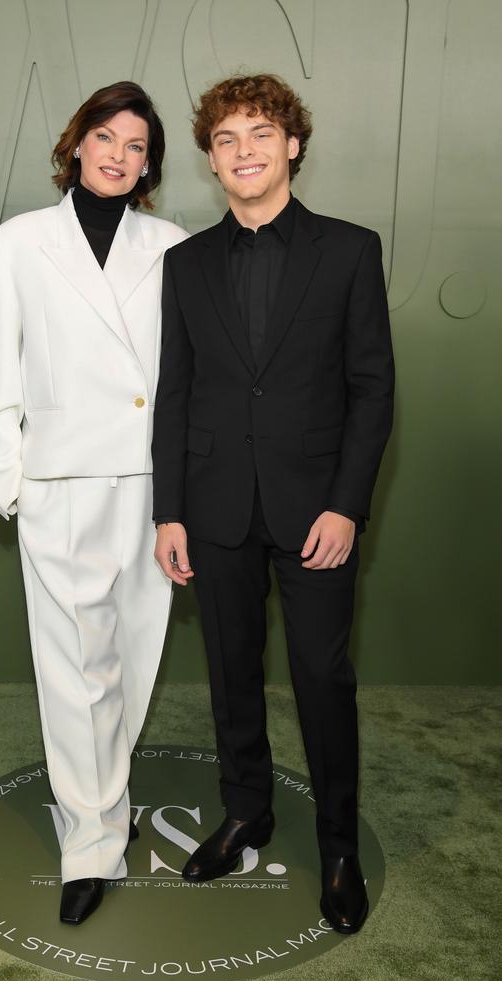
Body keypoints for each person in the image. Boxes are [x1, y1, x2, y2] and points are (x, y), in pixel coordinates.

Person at [152, 74, 394, 934]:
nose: (244, 150)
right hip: (213, 508)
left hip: (316, 511)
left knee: (324, 681)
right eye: (226, 138)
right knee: (230, 674)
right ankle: (246, 811)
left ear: (293, 144)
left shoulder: (350, 250)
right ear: (210, 158)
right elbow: (174, 393)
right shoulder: (183, 265)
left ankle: (337, 847)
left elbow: (372, 392)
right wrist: (168, 511)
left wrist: (347, 507)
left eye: (261, 132)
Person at [0, 81, 188, 925]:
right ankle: (91, 841)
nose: (118, 155)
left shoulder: (173, 245)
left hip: (148, 486)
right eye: (106, 136)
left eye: (137, 147)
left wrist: (184, 492)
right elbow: (0, 369)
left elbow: (183, 383)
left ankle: (107, 797)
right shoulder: (18, 243)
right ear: (76, 143)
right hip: (60, 482)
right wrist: (10, 477)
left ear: (149, 165)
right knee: (75, 669)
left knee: (132, 658)